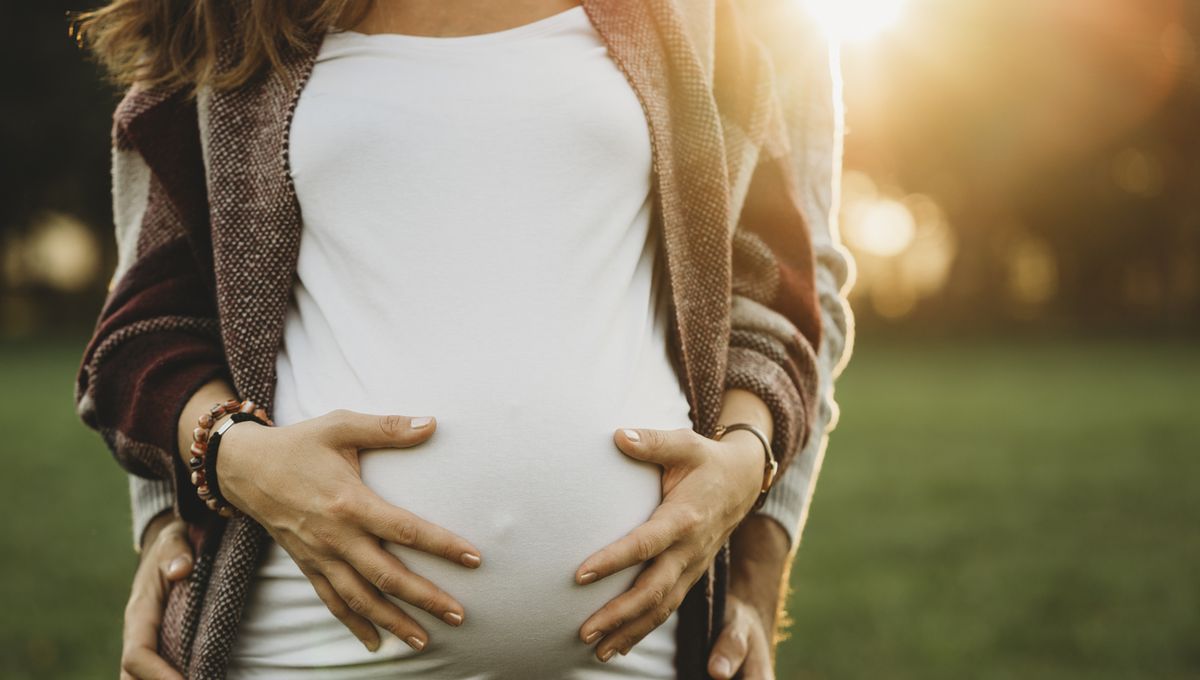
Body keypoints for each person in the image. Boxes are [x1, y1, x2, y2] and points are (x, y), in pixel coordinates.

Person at [72, 0, 853, 678]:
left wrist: (746, 473)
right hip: (301, 644)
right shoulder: (237, 20)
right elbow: (149, 323)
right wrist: (218, 470)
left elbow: (776, 292)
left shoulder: (711, 24)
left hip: (635, 651)